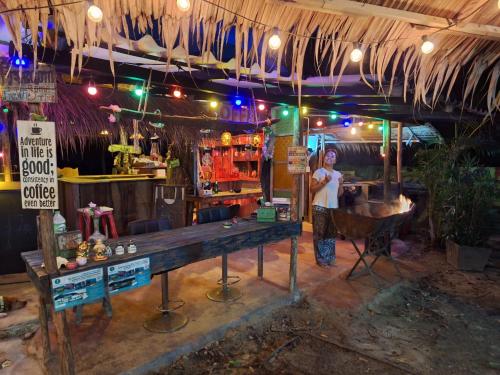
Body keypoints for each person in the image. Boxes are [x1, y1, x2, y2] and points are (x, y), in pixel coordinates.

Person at [310, 149, 343, 267]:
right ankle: (320, 259)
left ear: (335, 160)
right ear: (324, 158)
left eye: (332, 156)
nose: (330, 157)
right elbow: (312, 189)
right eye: (328, 155)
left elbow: (339, 194)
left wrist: (341, 184)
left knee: (331, 233)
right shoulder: (318, 172)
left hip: (333, 208)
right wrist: (324, 181)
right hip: (319, 207)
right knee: (319, 234)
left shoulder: (338, 174)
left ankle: (329, 257)